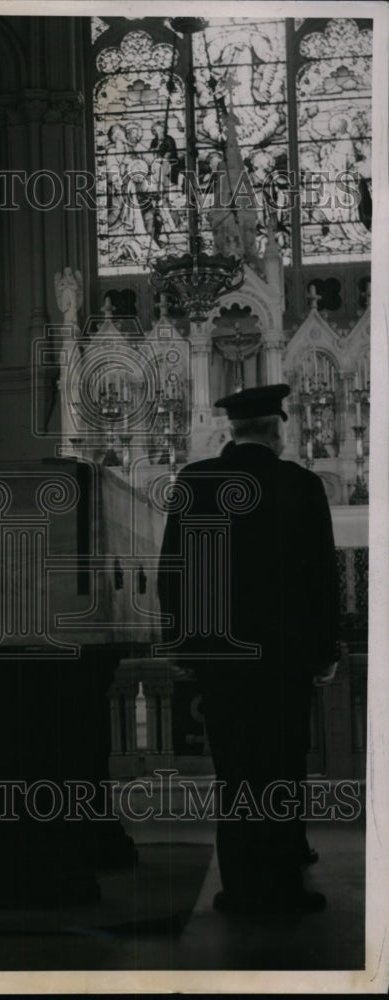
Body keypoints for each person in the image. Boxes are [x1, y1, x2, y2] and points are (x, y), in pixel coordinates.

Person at [157, 385, 339, 915]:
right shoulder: (301, 484)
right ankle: (283, 886)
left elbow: (175, 570)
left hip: (220, 658)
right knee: (282, 765)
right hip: (285, 657)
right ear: (277, 430)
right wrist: (324, 650)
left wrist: (181, 640)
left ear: (231, 430)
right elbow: (321, 578)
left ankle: (238, 888)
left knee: (235, 769)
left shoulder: (194, 480)